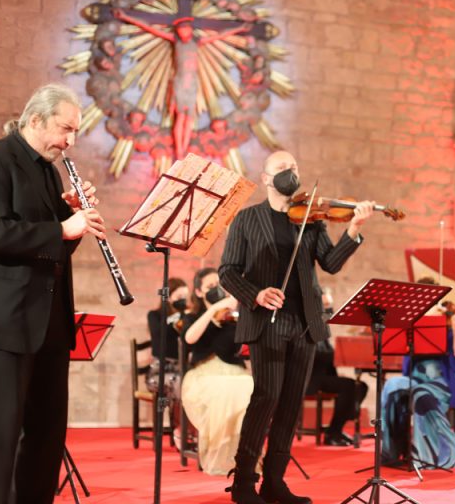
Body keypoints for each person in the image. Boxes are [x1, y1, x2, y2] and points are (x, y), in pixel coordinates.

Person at [219, 150, 374, 504]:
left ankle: (274, 482)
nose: (290, 172)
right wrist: (256, 294)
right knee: (266, 398)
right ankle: (244, 482)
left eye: (294, 167)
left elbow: (330, 263)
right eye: (282, 168)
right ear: (266, 178)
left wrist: (353, 229)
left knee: (290, 405)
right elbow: (227, 271)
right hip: (267, 322)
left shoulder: (311, 220)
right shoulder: (247, 219)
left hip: (304, 323)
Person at [0, 83, 105, 504]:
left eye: (75, 132)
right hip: (7, 325)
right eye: (65, 129)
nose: (70, 141)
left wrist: (72, 218)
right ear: (35, 119)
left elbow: (56, 247)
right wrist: (62, 228)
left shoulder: (49, 172)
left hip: (51, 323)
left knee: (46, 437)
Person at [380, 277, 455, 470]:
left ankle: (436, 455)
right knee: (392, 386)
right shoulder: (411, 323)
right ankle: (391, 452)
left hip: (445, 381)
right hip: (416, 378)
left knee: (421, 393)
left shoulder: (446, 321)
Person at [180, 267, 254, 476]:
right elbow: (189, 338)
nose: (216, 290)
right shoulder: (192, 316)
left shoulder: (234, 317)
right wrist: (213, 310)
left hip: (235, 372)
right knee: (223, 391)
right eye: (210, 286)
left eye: (219, 286)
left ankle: (245, 457)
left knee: (248, 388)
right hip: (203, 374)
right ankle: (221, 457)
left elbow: (244, 348)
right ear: (198, 292)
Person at [305, 287, 368, 446]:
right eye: (326, 307)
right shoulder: (308, 326)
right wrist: (341, 353)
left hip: (324, 377)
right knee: (349, 387)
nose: (329, 311)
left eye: (329, 307)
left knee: (361, 386)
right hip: (311, 379)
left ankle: (337, 427)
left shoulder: (323, 330)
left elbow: (327, 355)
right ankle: (333, 432)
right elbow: (314, 355)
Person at [146, 277, 189, 430]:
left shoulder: (188, 316)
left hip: (182, 369)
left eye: (185, 297)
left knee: (195, 383)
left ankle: (194, 429)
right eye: (179, 297)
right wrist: (177, 318)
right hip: (159, 372)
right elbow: (159, 334)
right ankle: (180, 430)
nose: (183, 300)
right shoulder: (155, 315)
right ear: (169, 297)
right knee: (179, 384)